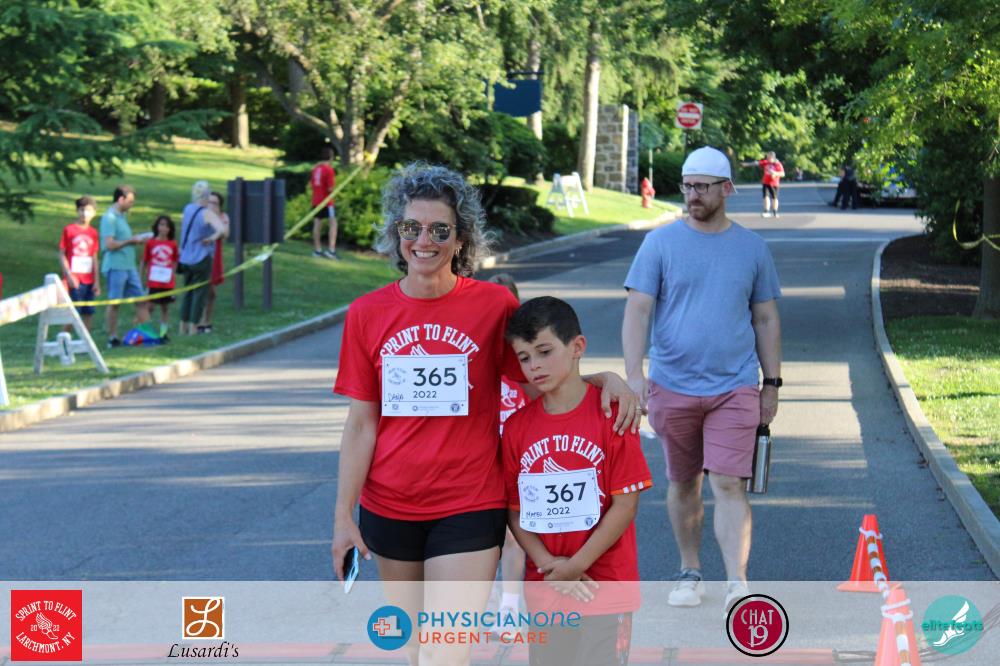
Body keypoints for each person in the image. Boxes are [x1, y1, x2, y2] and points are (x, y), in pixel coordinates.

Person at [330, 163, 639, 666]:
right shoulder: (367, 313)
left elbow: (544, 378)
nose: (423, 241)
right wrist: (343, 516)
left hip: (469, 503)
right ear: (396, 232)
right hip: (389, 506)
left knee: (447, 651)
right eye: (411, 228)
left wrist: (605, 379)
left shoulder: (493, 306)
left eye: (440, 230)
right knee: (415, 648)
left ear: (461, 239)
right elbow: (361, 424)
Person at [622, 146, 782, 616]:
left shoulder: (752, 248)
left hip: (734, 386)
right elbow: (638, 310)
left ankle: (737, 582)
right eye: (687, 186)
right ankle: (689, 571)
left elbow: (766, 318)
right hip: (672, 385)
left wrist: (771, 383)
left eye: (702, 187)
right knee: (684, 482)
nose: (692, 195)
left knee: (729, 483)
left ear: (726, 189)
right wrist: (634, 375)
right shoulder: (660, 244)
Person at [503, 296, 652, 666]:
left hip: (605, 584)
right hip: (548, 585)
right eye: (524, 357)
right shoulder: (517, 428)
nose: (535, 366)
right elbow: (515, 510)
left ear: (577, 347)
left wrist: (577, 564)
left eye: (544, 351)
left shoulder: (613, 414)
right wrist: (549, 565)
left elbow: (625, 504)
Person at [487, 273, 528, 626]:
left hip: (517, 465)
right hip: (481, 465)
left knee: (515, 537)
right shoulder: (476, 353)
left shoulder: (525, 359)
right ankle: (485, 602)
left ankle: (509, 608)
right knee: (484, 540)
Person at [99, 185, 150, 347]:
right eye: (130, 201)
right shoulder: (109, 218)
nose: (131, 205)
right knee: (115, 302)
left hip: (129, 265)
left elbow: (123, 240)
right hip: (116, 266)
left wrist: (136, 240)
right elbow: (109, 244)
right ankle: (113, 337)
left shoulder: (122, 217)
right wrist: (130, 241)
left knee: (141, 300)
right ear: (121, 199)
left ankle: (148, 335)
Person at [177, 181, 226, 336]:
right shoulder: (207, 213)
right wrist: (211, 238)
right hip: (201, 258)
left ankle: (182, 327)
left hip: (185, 258)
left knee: (187, 292)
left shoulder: (187, 209)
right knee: (199, 294)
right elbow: (222, 230)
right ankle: (193, 327)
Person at [59, 196, 101, 331]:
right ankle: (64, 339)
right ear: (77, 211)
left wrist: (97, 281)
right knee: (73, 313)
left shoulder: (93, 232)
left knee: (88, 312)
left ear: (94, 212)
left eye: (88, 210)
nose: (85, 213)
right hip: (74, 280)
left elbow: (94, 257)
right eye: (82, 210)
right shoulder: (69, 230)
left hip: (89, 280)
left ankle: (85, 341)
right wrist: (69, 275)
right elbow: (62, 254)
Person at [140, 215, 179, 337]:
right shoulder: (151, 243)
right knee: (149, 306)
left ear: (170, 229)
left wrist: (172, 275)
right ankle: (145, 331)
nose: (163, 228)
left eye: (166, 226)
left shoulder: (172, 244)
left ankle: (163, 333)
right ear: (157, 227)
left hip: (166, 282)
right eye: (161, 225)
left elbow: (174, 261)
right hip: (153, 281)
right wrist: (141, 276)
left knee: (165, 308)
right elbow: (144, 261)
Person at [198, 191, 230, 334]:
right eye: (209, 202)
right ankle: (199, 321)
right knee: (204, 289)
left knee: (211, 292)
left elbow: (225, 233)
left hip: (215, 256)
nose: (211, 205)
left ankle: (207, 320)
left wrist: (217, 220)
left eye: (215, 203)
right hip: (201, 255)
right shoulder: (201, 215)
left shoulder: (222, 217)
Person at [311, 145, 339, 259]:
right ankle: (331, 250)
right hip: (327, 202)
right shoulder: (329, 169)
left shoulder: (315, 169)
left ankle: (317, 250)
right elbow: (330, 189)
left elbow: (312, 184)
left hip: (316, 200)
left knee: (317, 224)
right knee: (333, 224)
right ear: (331, 157)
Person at [741, 151, 785, 218]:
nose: (767, 158)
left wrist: (775, 173)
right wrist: (747, 164)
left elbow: (782, 174)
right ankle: (766, 211)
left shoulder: (778, 164)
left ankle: (775, 212)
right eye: (767, 157)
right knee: (765, 196)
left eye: (769, 157)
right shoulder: (766, 162)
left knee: (774, 198)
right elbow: (757, 163)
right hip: (766, 183)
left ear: (773, 157)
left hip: (774, 184)